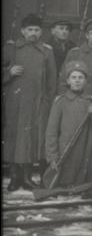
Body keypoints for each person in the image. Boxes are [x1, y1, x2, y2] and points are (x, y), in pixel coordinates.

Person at [3, 13, 58, 191]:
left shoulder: (46, 51)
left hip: (37, 104)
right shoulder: (11, 48)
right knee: (13, 137)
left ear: (41, 32)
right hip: (14, 102)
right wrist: (9, 72)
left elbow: (52, 80)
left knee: (30, 139)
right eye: (29, 30)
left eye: (36, 30)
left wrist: (47, 103)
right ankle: (13, 176)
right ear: (22, 31)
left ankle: (26, 177)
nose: (33, 33)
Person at [44, 60, 92, 188]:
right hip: (69, 150)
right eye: (73, 77)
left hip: (89, 149)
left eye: (81, 77)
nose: (77, 80)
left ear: (85, 81)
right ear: (68, 81)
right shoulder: (60, 102)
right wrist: (52, 157)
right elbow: (51, 132)